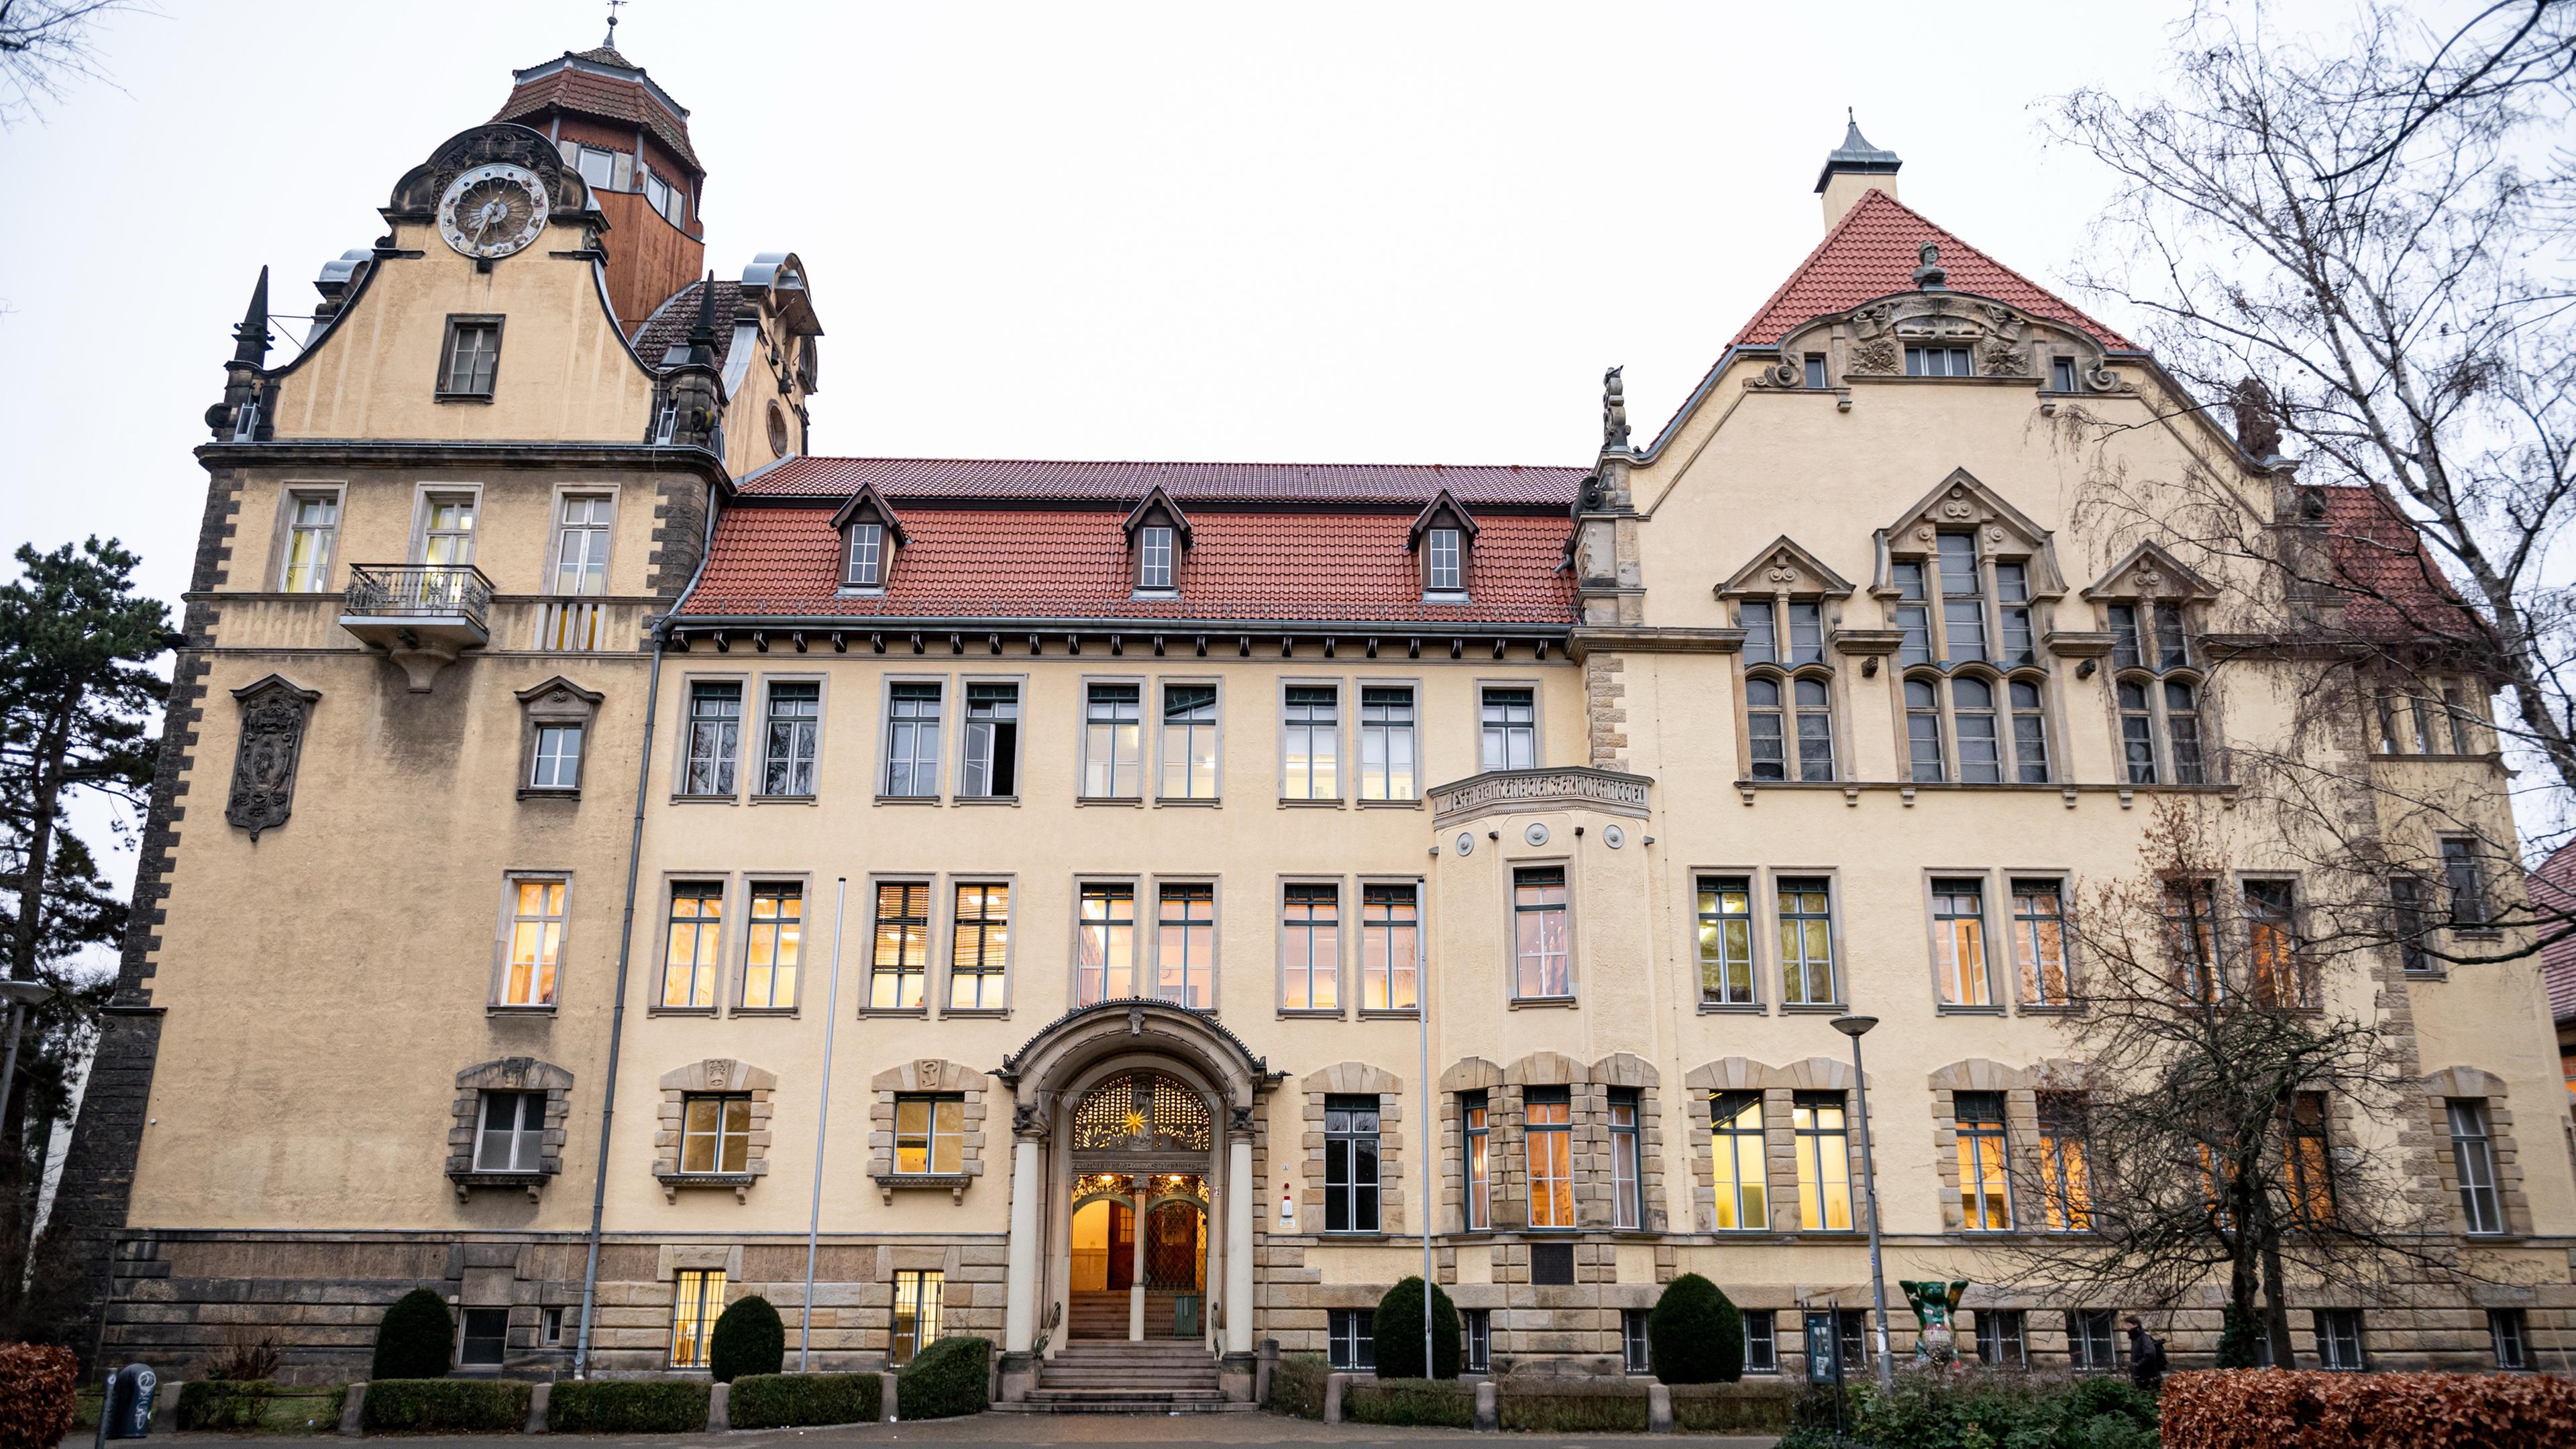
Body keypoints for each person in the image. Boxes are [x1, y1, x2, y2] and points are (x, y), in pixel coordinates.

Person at [2124, 1314, 2168, 1390]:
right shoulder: (2136, 1339)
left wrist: (2137, 1365)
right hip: (2142, 1378)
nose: (2125, 1328)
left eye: (2128, 1325)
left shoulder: (2144, 1338)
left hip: (2149, 1379)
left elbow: (2150, 1355)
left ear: (2135, 1325)